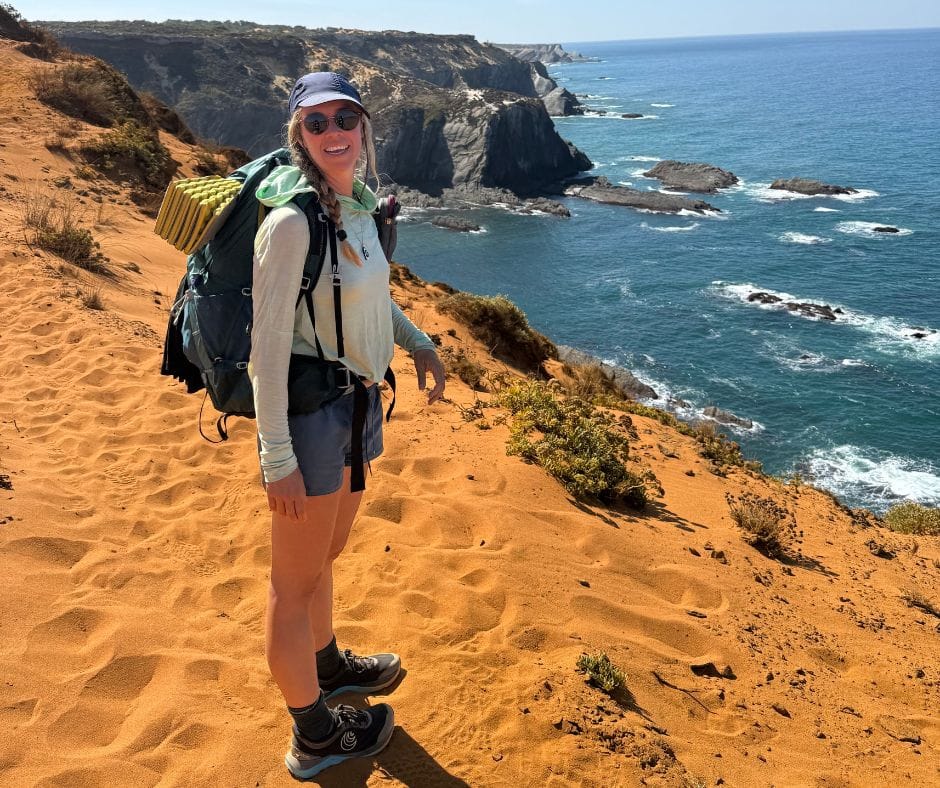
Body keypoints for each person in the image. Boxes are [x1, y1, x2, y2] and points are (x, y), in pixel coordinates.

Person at [249, 71, 445, 779]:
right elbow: (264, 351)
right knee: (291, 586)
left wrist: (417, 339)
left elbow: (371, 294)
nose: (335, 133)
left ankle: (326, 665)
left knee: (322, 562)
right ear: (298, 136)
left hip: (361, 403)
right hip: (311, 420)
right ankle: (314, 736)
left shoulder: (356, 207)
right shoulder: (292, 223)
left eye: (345, 119)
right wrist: (277, 457)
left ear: (363, 127)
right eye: (317, 123)